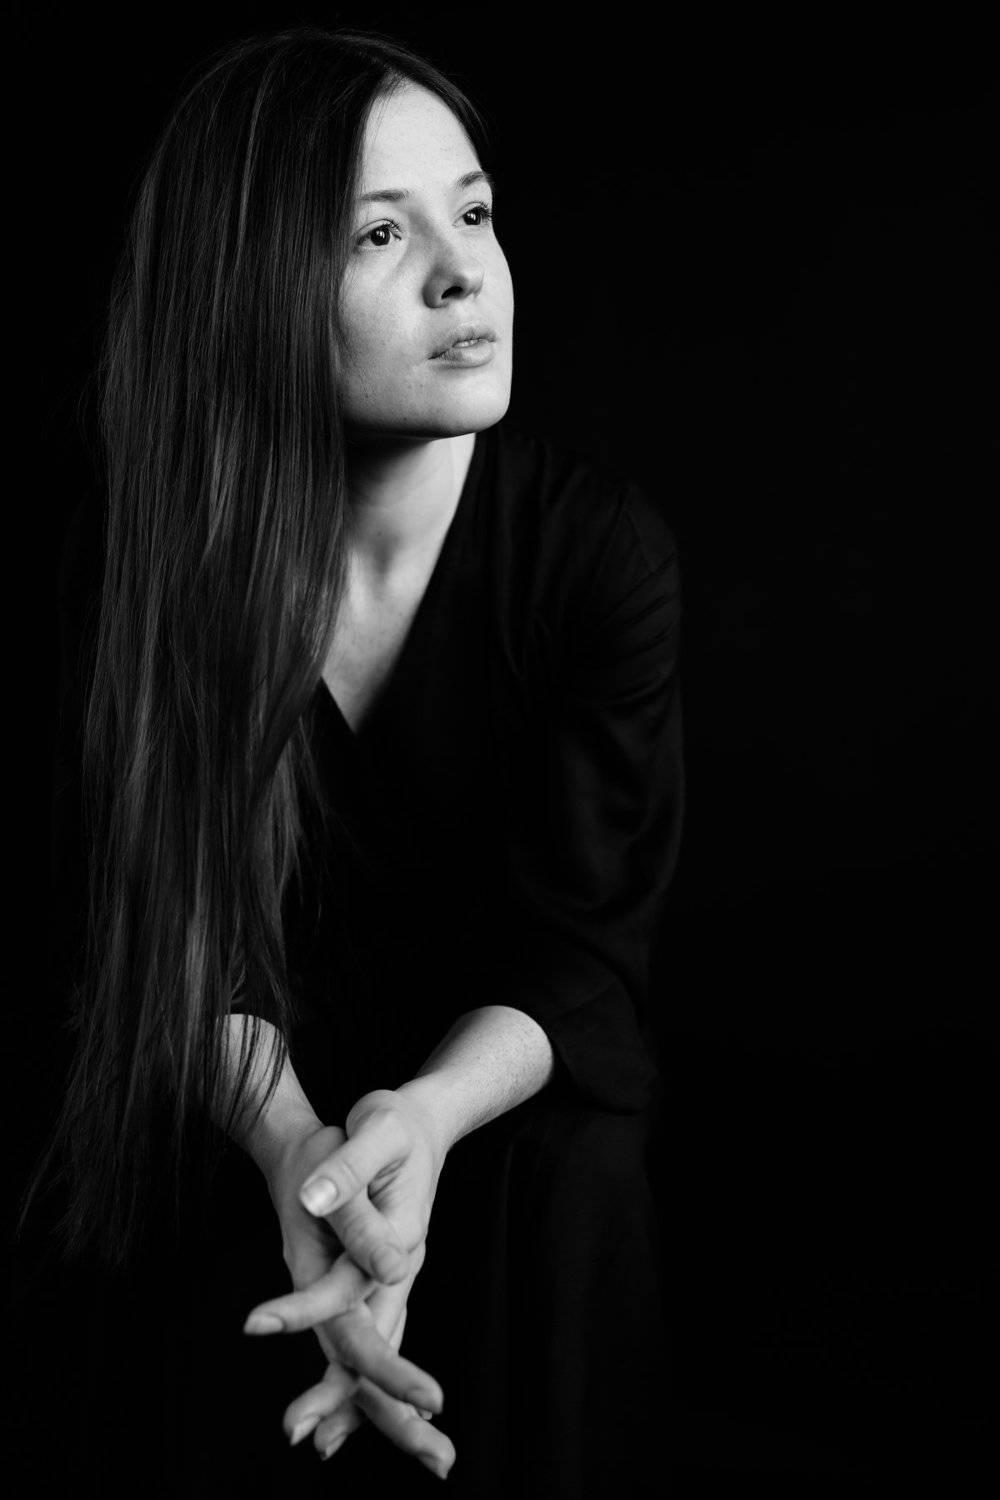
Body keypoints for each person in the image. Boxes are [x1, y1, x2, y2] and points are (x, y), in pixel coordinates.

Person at [25, 24, 683, 1498]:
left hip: (490, 1100)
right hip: (244, 1087)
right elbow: (163, 940)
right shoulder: (143, 565)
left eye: (474, 212)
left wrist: (419, 1128)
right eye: (382, 235)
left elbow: (587, 951)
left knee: (573, 1168)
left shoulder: (595, 557)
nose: (464, 274)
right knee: (148, 1166)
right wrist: (300, 1162)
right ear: (252, 292)